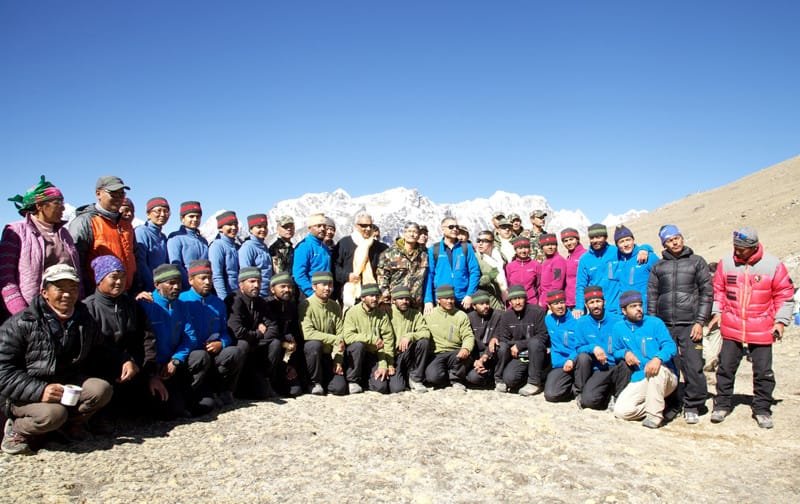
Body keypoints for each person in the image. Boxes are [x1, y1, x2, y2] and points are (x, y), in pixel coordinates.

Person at [0, 265, 113, 455]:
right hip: (22, 394)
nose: (67, 295)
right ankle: (16, 430)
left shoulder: (83, 318)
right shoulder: (21, 323)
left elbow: (102, 346)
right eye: (60, 288)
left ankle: (66, 427)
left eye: (73, 289)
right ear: (45, 292)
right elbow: (3, 370)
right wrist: (40, 390)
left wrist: (125, 360)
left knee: (100, 390)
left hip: (64, 385)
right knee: (53, 414)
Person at [709, 227, 794, 429]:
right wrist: (717, 312)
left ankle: (762, 409)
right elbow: (718, 290)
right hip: (732, 322)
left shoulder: (773, 265)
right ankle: (722, 405)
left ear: (753, 247)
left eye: (741, 249)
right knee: (725, 368)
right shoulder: (727, 262)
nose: (737, 252)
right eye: (735, 247)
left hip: (762, 325)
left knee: (763, 371)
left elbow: (785, 295)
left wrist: (780, 322)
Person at [646, 224, 712, 424]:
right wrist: (653, 323)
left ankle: (694, 404)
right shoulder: (658, 267)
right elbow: (652, 296)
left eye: (677, 238)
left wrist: (700, 321)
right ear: (664, 244)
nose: (674, 242)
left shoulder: (697, 262)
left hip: (690, 323)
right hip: (665, 324)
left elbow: (707, 294)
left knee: (693, 364)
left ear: (682, 238)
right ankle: (673, 403)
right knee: (669, 365)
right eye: (669, 240)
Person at [82, 256, 159, 416]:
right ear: (99, 280)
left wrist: (146, 369)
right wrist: (123, 360)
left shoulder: (132, 305)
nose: (119, 282)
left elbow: (146, 338)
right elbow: (95, 346)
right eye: (114, 277)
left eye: (123, 277)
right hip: (101, 369)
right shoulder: (87, 308)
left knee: (160, 406)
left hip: (133, 367)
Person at [138, 264, 214, 417]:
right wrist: (151, 373)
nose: (177, 287)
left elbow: (190, 337)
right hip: (152, 368)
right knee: (171, 412)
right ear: (157, 285)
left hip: (173, 365)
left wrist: (176, 360)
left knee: (200, 357)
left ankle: (185, 397)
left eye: (178, 282)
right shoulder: (145, 305)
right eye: (171, 283)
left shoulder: (180, 305)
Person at [1, 176, 81, 315]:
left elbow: (76, 272)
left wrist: (81, 303)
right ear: (40, 206)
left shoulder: (64, 234)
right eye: (58, 202)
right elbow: (6, 277)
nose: (63, 207)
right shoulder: (15, 232)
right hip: (32, 311)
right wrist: (22, 313)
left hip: (67, 308)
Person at [179, 260, 245, 406]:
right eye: (202, 278)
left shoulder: (218, 303)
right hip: (193, 356)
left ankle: (223, 391)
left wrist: (221, 343)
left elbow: (225, 332)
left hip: (213, 353)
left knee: (234, 352)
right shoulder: (181, 301)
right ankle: (191, 393)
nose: (208, 282)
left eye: (210, 277)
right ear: (190, 280)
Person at [612, 290, 678, 429]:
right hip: (640, 376)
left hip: (665, 375)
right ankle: (659, 406)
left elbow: (670, 346)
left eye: (640, 305)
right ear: (624, 311)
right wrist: (625, 353)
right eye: (633, 306)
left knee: (657, 371)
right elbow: (615, 351)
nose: (639, 309)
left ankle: (654, 416)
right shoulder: (618, 328)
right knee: (621, 411)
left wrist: (658, 358)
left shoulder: (655, 323)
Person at [68, 175, 137, 294]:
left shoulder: (126, 225)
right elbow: (76, 263)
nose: (118, 198)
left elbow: (134, 257)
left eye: (121, 194)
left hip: (126, 295)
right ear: (98, 193)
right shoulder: (85, 222)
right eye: (113, 193)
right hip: (97, 297)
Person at [573, 286, 629, 410]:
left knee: (626, 361)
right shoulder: (582, 323)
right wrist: (593, 348)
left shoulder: (617, 321)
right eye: (591, 302)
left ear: (604, 302)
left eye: (598, 301)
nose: (595, 305)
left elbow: (626, 344)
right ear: (587, 305)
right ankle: (584, 393)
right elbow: (578, 348)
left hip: (616, 366)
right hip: (598, 368)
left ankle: (619, 396)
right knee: (590, 401)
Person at [494, 285, 549, 395]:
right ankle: (521, 378)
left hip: (536, 353)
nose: (517, 302)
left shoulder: (537, 312)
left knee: (535, 342)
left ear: (526, 299)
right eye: (514, 299)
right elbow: (504, 339)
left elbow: (542, 335)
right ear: (510, 302)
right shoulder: (506, 316)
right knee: (510, 379)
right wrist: (517, 347)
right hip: (519, 356)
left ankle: (534, 382)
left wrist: (520, 345)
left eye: (520, 298)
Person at [298, 271, 346, 395]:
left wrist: (338, 360)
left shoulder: (334, 306)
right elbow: (308, 333)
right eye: (323, 285)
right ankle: (313, 382)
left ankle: (325, 380)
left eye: (330, 285)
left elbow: (341, 335)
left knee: (339, 388)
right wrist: (334, 339)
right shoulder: (305, 305)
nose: (327, 288)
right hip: (313, 356)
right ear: (314, 287)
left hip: (329, 355)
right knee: (314, 344)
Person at [341, 283, 395, 394]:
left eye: (376, 295)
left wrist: (385, 363)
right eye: (371, 296)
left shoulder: (382, 315)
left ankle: (366, 379)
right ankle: (353, 380)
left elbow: (388, 340)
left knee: (381, 388)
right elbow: (348, 336)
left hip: (374, 355)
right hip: (355, 355)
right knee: (358, 345)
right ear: (362, 298)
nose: (375, 299)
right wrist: (371, 339)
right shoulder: (352, 313)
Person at [423, 217, 480, 313]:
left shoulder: (466, 247)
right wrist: (428, 300)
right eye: (451, 227)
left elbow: (475, 272)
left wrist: (470, 294)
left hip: (463, 300)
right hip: (442, 299)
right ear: (442, 228)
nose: (455, 229)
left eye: (456, 227)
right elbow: (429, 276)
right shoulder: (434, 249)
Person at [423, 285, 474, 391]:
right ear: (438, 300)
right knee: (433, 377)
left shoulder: (461, 315)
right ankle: (446, 375)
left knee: (465, 358)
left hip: (455, 352)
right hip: (437, 354)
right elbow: (421, 331)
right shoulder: (429, 315)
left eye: (452, 298)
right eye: (446, 298)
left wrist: (466, 348)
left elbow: (468, 335)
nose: (450, 301)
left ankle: (456, 380)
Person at [386, 285, 431, 393]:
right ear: (393, 300)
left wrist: (409, 336)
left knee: (423, 342)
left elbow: (426, 332)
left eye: (407, 299)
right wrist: (388, 363)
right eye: (401, 299)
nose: (404, 301)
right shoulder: (387, 313)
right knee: (397, 388)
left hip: (408, 353)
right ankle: (404, 375)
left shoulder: (416, 314)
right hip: (392, 355)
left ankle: (416, 378)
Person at [333, 213, 384, 308]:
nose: (368, 229)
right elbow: (334, 266)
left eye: (370, 226)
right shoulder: (344, 243)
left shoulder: (379, 247)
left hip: (372, 295)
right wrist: (347, 276)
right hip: (350, 292)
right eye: (364, 226)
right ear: (356, 226)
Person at [543, 290, 583, 402]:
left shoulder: (577, 320)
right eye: (555, 304)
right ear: (549, 307)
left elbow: (583, 344)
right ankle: (569, 387)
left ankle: (579, 389)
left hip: (577, 362)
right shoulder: (548, 320)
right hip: (560, 364)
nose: (560, 306)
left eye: (562, 302)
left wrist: (571, 359)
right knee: (551, 395)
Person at [376, 222, 429, 308]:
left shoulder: (424, 254)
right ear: (404, 233)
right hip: (395, 303)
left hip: (415, 304)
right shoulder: (389, 254)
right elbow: (382, 278)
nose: (412, 234)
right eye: (409, 231)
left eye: (415, 232)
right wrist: (386, 298)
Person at [465, 290, 504, 389]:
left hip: (493, 354)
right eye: (481, 304)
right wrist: (476, 362)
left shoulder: (498, 315)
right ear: (474, 306)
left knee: (501, 347)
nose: (485, 306)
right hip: (476, 357)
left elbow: (500, 334)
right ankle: (487, 376)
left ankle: (497, 376)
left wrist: (485, 356)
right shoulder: (469, 318)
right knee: (473, 378)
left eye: (487, 303)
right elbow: (467, 340)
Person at [612, 225, 657, 308]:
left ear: (633, 240)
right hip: (625, 312)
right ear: (617, 245)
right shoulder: (616, 261)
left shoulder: (648, 257)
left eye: (628, 240)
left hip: (646, 309)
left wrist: (646, 248)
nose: (626, 244)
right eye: (621, 241)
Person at [167, 201, 209, 289]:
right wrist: (191, 284)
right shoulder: (176, 237)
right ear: (182, 218)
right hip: (186, 287)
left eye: (198, 217)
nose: (195, 219)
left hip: (204, 287)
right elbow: (176, 265)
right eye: (191, 216)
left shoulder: (203, 241)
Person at [134, 197, 170, 293]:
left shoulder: (163, 237)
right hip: (148, 289)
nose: (162, 214)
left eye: (166, 211)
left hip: (162, 287)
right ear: (148, 214)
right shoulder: (141, 232)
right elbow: (141, 263)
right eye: (158, 211)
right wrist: (153, 286)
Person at [292, 213, 331, 300]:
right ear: (310, 228)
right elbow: (299, 274)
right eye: (318, 226)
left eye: (324, 226)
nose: (322, 229)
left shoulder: (324, 247)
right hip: (308, 295)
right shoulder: (304, 246)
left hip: (324, 293)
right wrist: (311, 293)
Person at [238, 213, 274, 298]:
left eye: (265, 227)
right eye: (259, 227)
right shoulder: (247, 248)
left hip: (267, 292)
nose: (263, 229)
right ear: (251, 229)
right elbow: (246, 274)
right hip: (256, 294)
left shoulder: (263, 246)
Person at [208, 211, 240, 301]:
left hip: (238, 294)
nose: (233, 228)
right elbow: (217, 275)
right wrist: (223, 299)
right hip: (227, 295)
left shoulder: (237, 246)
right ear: (220, 228)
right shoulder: (217, 246)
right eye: (229, 225)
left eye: (235, 224)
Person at [474, 230, 508, 310]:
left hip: (502, 296)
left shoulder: (499, 256)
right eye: (478, 241)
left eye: (485, 241)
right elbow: (478, 281)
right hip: (487, 299)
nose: (480, 243)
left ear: (492, 243)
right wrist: (494, 272)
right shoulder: (475, 258)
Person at [504, 236, 540, 306]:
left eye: (526, 248)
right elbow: (508, 285)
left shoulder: (536, 265)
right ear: (515, 250)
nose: (523, 251)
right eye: (520, 248)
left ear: (529, 249)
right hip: (515, 302)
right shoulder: (509, 266)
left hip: (531, 301)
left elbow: (539, 285)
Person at [537, 233, 567, 309]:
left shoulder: (558, 261)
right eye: (547, 245)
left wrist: (545, 301)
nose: (550, 247)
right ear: (542, 247)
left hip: (552, 301)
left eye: (553, 244)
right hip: (544, 299)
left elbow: (557, 284)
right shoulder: (546, 261)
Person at [560, 228, 586, 311]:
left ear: (577, 239)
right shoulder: (568, 258)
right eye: (565, 241)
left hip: (582, 302)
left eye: (571, 239)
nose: (568, 243)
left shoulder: (585, 255)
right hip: (569, 301)